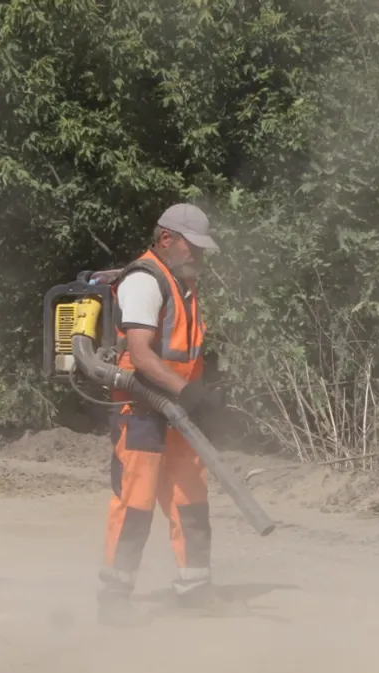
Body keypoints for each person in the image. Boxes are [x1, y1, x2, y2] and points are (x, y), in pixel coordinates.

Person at [97, 203, 226, 624]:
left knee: (191, 498)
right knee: (135, 503)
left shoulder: (183, 283)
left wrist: (198, 396)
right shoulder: (144, 280)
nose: (198, 255)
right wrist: (190, 394)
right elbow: (141, 355)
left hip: (179, 411)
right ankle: (115, 599)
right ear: (166, 238)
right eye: (193, 246)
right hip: (140, 410)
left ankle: (195, 589)